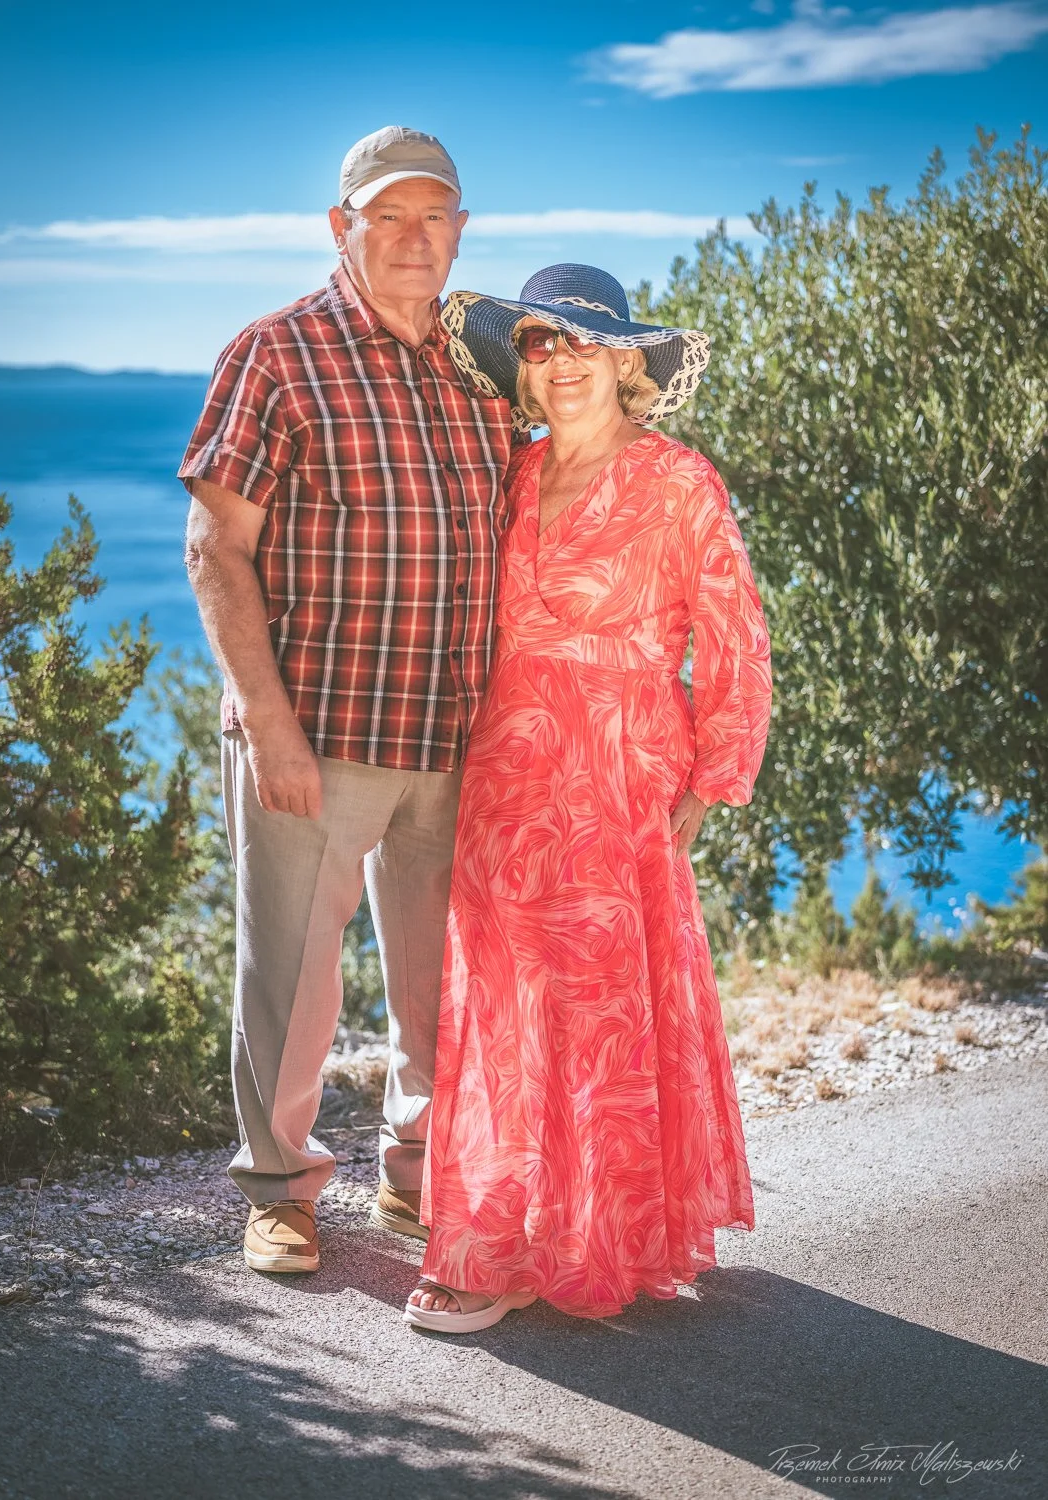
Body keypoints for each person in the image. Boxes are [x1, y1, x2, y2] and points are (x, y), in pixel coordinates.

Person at [403, 263, 773, 1332]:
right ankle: (505, 1237)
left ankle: (589, 1241)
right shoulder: (510, 477)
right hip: (505, 774)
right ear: (522, 368)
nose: (560, 361)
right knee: (507, 1007)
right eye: (538, 343)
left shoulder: (677, 480)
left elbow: (736, 635)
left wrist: (715, 775)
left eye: (580, 342)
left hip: (621, 772)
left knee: (601, 1012)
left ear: (626, 363)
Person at [179, 126, 521, 1274]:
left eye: (436, 216)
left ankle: (418, 1181)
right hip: (318, 735)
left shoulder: (485, 366)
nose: (415, 238)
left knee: (447, 982)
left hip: (457, 734)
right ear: (343, 228)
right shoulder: (277, 354)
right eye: (389, 216)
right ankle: (279, 1189)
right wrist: (265, 721)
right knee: (291, 974)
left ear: (462, 230)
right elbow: (215, 549)